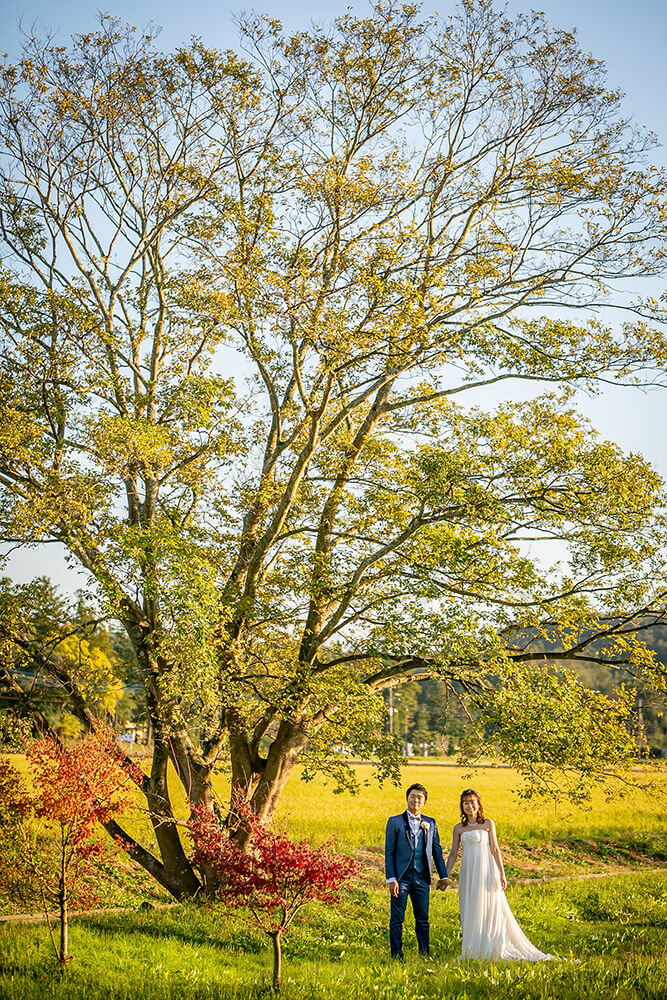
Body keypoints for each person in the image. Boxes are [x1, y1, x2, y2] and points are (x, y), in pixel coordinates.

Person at [445, 788, 553, 961]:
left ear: (478, 804)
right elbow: (452, 854)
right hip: (468, 873)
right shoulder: (458, 828)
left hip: (487, 870)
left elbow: (495, 849)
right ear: (462, 806)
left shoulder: (488, 823)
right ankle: (473, 947)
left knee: (491, 906)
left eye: (472, 802)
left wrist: (502, 874)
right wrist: (445, 876)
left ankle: (490, 942)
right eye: (466, 802)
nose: (469, 805)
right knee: (471, 906)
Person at [384, 782, 448, 959]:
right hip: (401, 877)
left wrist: (443, 876)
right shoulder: (394, 821)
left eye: (420, 797)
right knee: (397, 918)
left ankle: (424, 954)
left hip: (421, 877)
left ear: (425, 801)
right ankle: (396, 955)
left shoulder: (430, 823)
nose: (416, 800)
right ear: (407, 798)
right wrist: (391, 878)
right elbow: (389, 852)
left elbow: (436, 850)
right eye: (413, 796)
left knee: (423, 918)